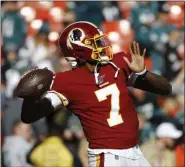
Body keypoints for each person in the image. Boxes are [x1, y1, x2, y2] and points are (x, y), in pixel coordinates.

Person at [19, 21, 172, 167]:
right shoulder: (65, 82)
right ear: (78, 50)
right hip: (108, 156)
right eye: (95, 43)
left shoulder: (117, 64)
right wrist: (31, 95)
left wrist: (144, 73)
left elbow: (165, 89)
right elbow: (29, 116)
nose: (102, 45)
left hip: (135, 152)